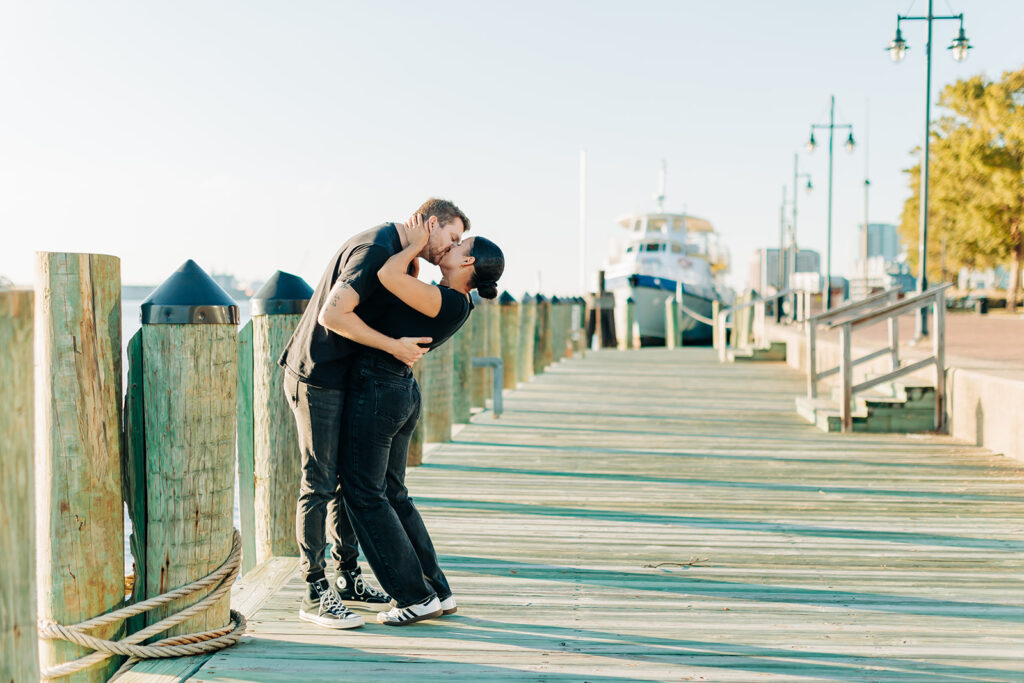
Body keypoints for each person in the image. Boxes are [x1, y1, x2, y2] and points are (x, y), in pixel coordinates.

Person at [279, 199, 468, 629]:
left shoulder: (398, 257)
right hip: (317, 375)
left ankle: (348, 578)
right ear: (431, 223)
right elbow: (332, 313)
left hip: (347, 378)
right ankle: (314, 590)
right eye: (451, 238)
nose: (450, 248)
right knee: (320, 482)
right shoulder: (376, 249)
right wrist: (393, 347)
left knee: (348, 481)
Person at [336, 218, 504, 626]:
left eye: (460, 245)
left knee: (364, 494)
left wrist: (414, 244)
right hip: (396, 390)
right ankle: (437, 591)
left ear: (468, 265)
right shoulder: (447, 297)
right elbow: (399, 286)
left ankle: (413, 596)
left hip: (380, 389)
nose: (451, 246)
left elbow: (385, 274)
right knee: (392, 493)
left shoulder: (448, 301)